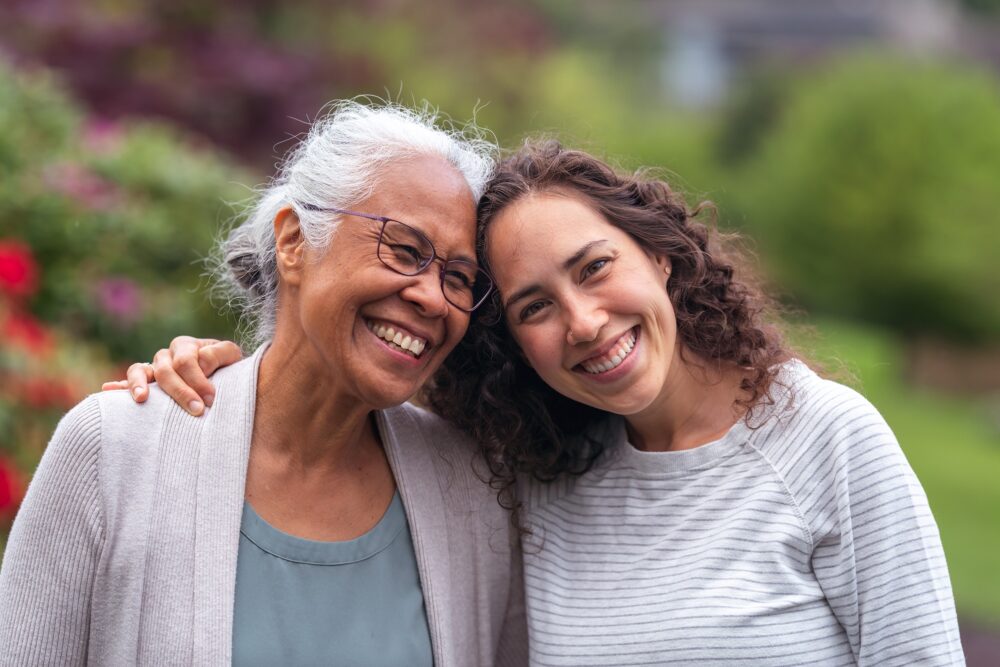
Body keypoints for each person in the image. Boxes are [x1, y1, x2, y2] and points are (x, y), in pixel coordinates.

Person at [115, 141, 964, 666]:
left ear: (660, 258)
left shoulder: (826, 441)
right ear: (513, 344)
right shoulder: (535, 472)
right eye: (534, 307)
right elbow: (347, 388)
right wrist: (218, 374)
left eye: (594, 268)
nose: (585, 323)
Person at [0, 101, 527, 666]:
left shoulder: (473, 492)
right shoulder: (116, 450)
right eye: (404, 250)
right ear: (294, 242)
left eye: (458, 278)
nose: (431, 295)